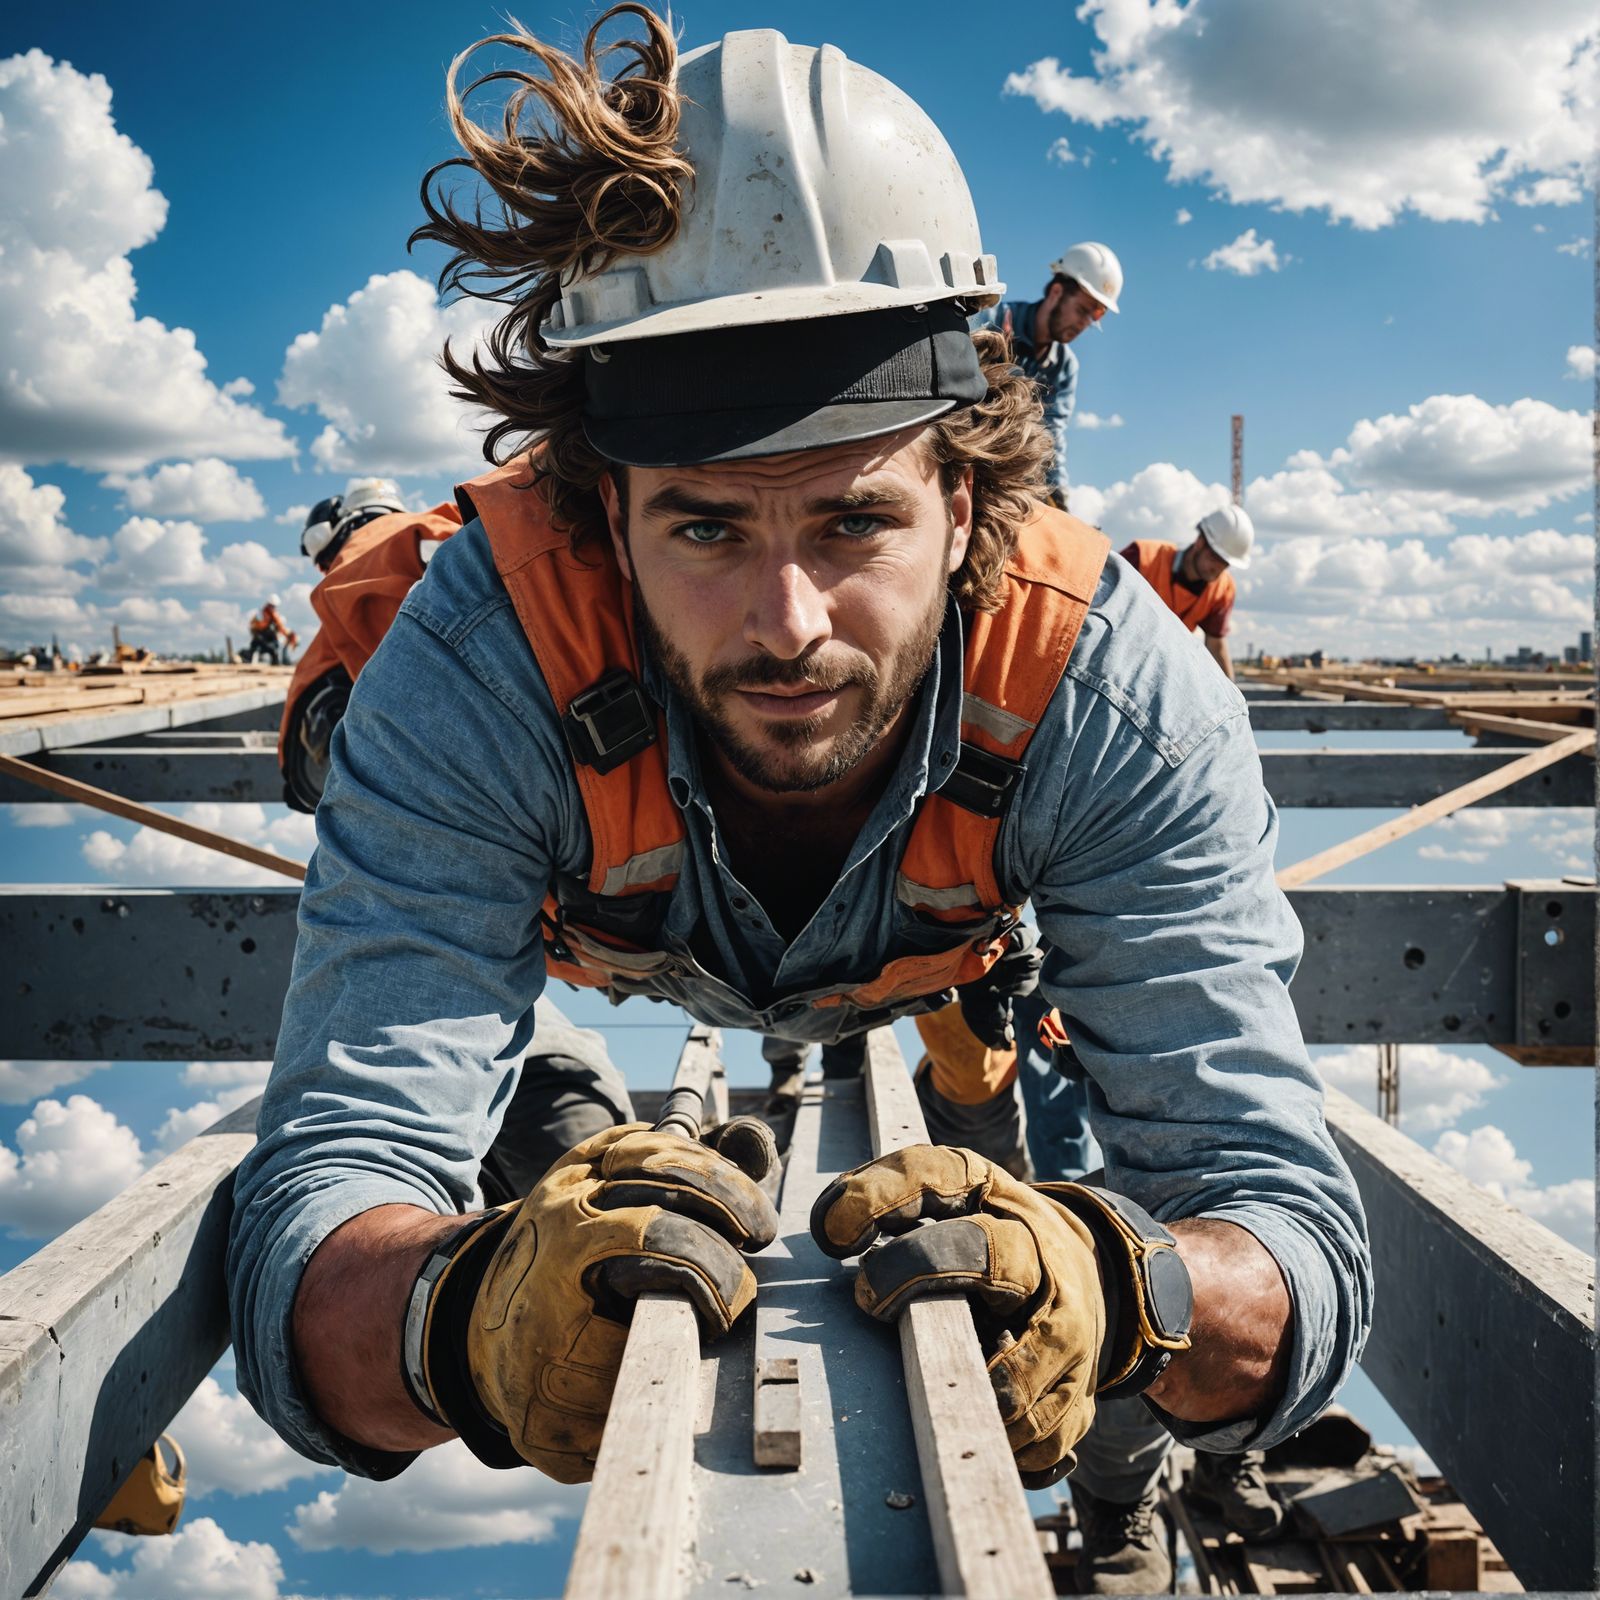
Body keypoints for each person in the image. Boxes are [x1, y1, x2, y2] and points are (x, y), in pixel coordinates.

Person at [226, 15, 1370, 1594]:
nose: (788, 621)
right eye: (702, 526)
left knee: (1026, 1174)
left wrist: (1121, 1288)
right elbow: (321, 1203)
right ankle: (549, 1107)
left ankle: (1092, 1414)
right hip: (595, 931)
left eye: (853, 519)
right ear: (599, 509)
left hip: (946, 943)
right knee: (515, 1133)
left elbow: (1285, 1230)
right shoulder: (480, 661)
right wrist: (461, 1318)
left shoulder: (1109, 683)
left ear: (968, 494)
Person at [279, 488, 463, 812]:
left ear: (341, 527)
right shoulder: (444, 524)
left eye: (325, 562)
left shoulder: (359, 558)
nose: (328, 569)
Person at [970, 242, 1122, 510]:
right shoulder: (990, 322)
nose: (1084, 324)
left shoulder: (1064, 367)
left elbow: (1052, 436)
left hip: (1006, 476)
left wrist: (1059, 499)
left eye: (1093, 318)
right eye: (1083, 310)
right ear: (1056, 291)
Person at [1122, 505, 1255, 681]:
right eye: (1215, 558)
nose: (1218, 569)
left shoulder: (1222, 589)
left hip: (1156, 670)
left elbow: (1216, 645)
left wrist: (1235, 703)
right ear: (1200, 542)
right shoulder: (1142, 557)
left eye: (1225, 563)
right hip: (1118, 652)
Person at [244, 594, 297, 664]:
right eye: (271, 606)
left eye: (274, 606)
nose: (273, 608)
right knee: (255, 651)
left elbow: (281, 627)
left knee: (275, 651)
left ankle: (276, 664)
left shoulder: (274, 616)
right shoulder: (259, 614)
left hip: (270, 641)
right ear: (268, 604)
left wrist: (288, 634)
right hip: (259, 639)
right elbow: (255, 627)